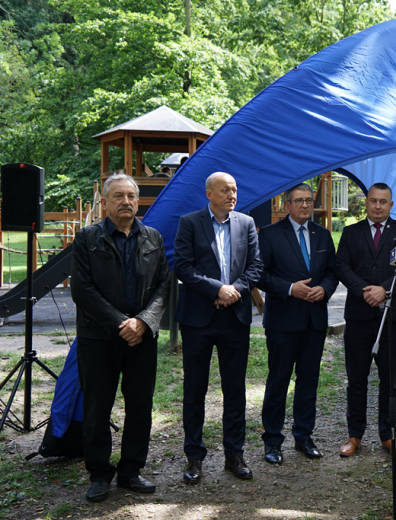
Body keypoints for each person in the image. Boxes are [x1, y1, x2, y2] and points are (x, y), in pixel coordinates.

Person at [71, 173, 170, 502]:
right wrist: (120, 323)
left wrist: (142, 322)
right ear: (105, 201)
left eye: (131, 196)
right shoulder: (87, 238)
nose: (125, 201)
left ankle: (131, 470)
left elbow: (163, 286)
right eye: (118, 196)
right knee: (98, 407)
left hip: (142, 338)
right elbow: (82, 290)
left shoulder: (153, 237)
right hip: (98, 338)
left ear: (138, 200)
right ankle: (99, 473)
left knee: (140, 406)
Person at [174, 172, 263, 484]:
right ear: (209, 193)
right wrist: (216, 290)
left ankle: (234, 455)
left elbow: (256, 266)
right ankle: (194, 457)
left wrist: (233, 290)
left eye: (235, 190)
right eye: (225, 190)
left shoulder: (246, 223)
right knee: (195, 389)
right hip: (198, 318)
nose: (232, 195)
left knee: (235, 389)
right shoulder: (189, 222)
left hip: (234, 318)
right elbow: (182, 266)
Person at [334, 183, 396, 457]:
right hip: (358, 316)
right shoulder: (350, 232)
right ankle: (354, 434)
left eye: (383, 201)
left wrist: (385, 290)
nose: (378, 206)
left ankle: (388, 434)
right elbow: (342, 267)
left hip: (393, 316)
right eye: (373, 201)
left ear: (391, 205)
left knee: (390, 379)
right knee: (356, 378)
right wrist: (363, 291)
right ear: (366, 202)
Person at [257, 183, 338, 464]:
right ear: (286, 204)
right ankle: (272, 440)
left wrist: (325, 289)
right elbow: (259, 275)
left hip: (314, 320)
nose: (305, 205)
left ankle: (304, 436)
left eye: (309, 200)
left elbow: (332, 272)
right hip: (283, 320)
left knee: (308, 382)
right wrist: (291, 288)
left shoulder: (323, 235)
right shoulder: (269, 234)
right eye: (299, 201)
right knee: (278, 381)